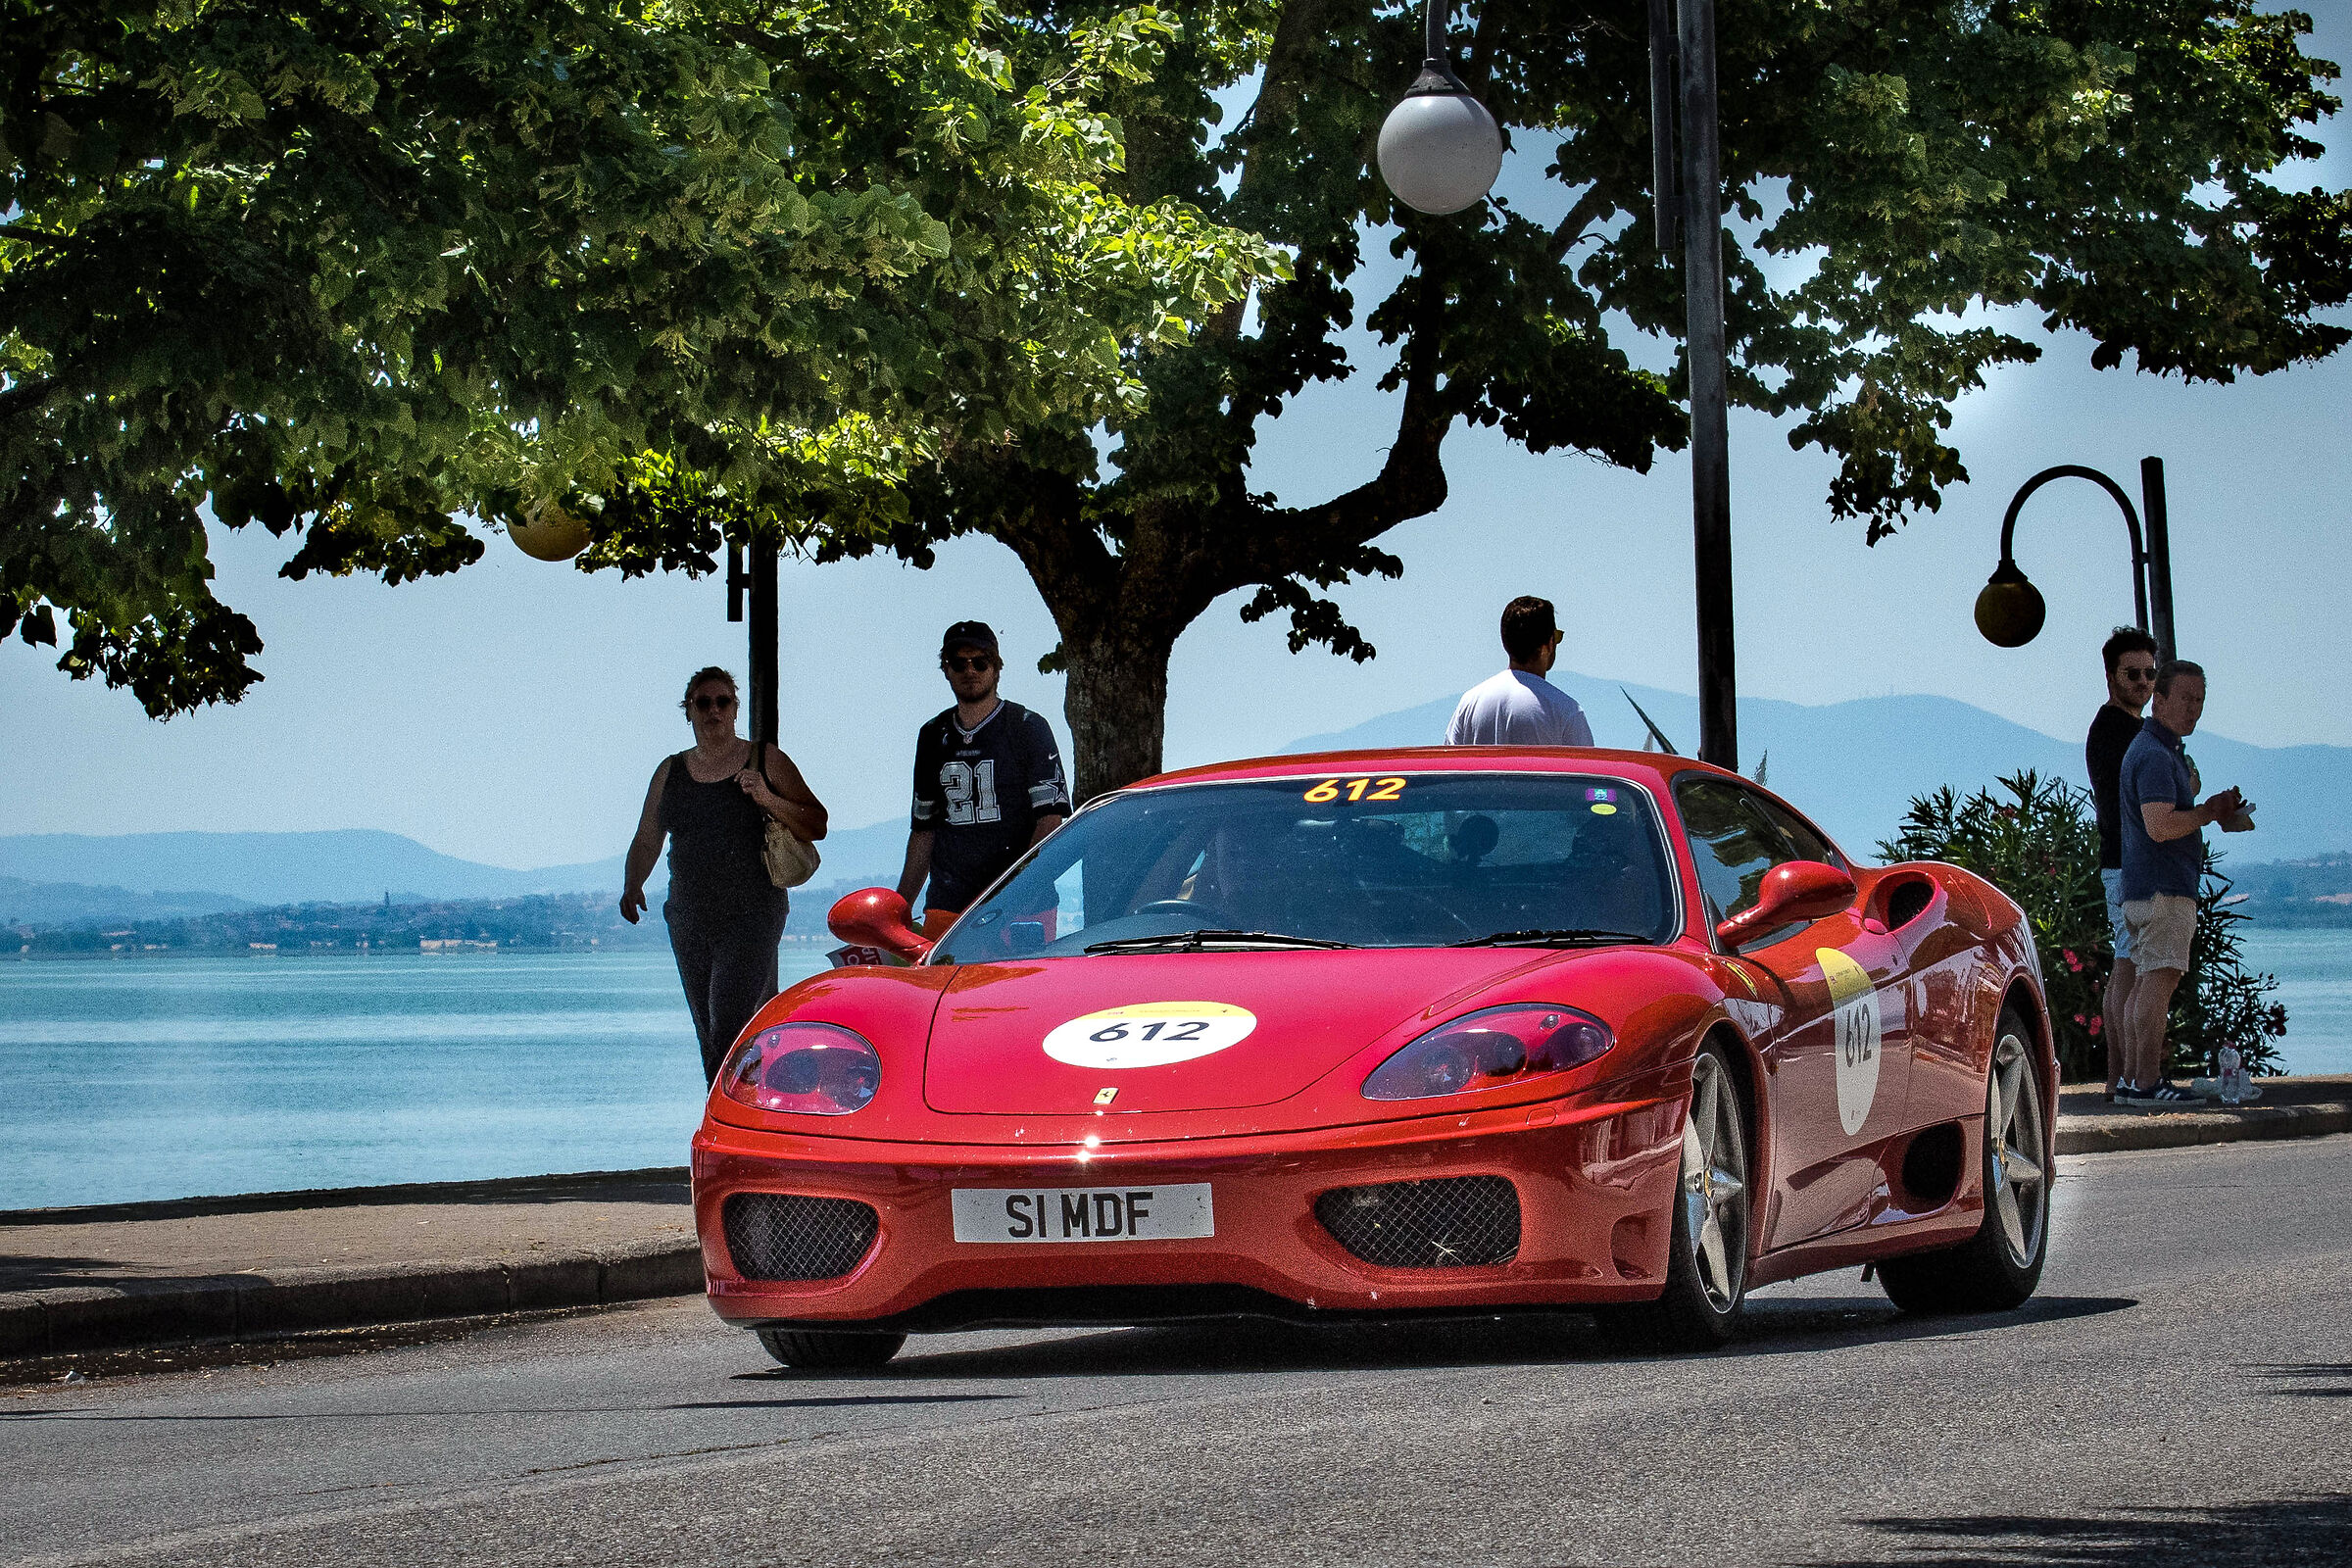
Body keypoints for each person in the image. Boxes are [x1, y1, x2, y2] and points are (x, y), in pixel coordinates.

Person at [620, 667, 829, 1083]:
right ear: (689, 712)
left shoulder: (764, 760)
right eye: (703, 703)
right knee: (708, 1031)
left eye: (723, 702)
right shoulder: (670, 772)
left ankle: (732, 1109)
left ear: (735, 710)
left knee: (729, 1021)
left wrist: (766, 797)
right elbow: (647, 838)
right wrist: (632, 884)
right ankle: (734, 1104)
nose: (713, 710)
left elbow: (816, 823)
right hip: (689, 917)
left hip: (753, 914)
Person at [2114, 659, 2247, 1106]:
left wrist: (2210, 809)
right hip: (2163, 888)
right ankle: (2147, 1082)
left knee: (2144, 984)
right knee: (2158, 982)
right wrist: (2207, 812)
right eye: (2186, 699)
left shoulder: (2154, 749)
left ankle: (2133, 1080)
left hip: (2142, 886)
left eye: (2200, 701)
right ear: (2159, 699)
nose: (2194, 709)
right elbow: (2160, 825)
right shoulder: (2155, 755)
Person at [897, 622, 1069, 938]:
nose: (970, 671)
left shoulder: (1027, 727)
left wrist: (1015, 892)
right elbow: (923, 830)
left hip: (1024, 906)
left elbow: (1050, 821)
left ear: (997, 668)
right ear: (946, 670)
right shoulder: (933, 735)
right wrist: (898, 910)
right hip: (949, 906)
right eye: (959, 663)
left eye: (980, 662)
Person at [2085, 627, 2159, 1099]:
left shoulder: (2113, 729)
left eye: (2150, 674)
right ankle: (2131, 1077)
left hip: (2119, 859)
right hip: (2133, 861)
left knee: (2125, 963)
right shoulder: (2122, 732)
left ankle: (2119, 1078)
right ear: (2111, 675)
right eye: (2133, 674)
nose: (2144, 683)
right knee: (2135, 968)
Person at [1446, 596, 1595, 747]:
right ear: (1549, 643)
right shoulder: (1565, 710)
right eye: (1556, 637)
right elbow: (1585, 761)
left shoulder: (1469, 704)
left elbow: (1448, 758)